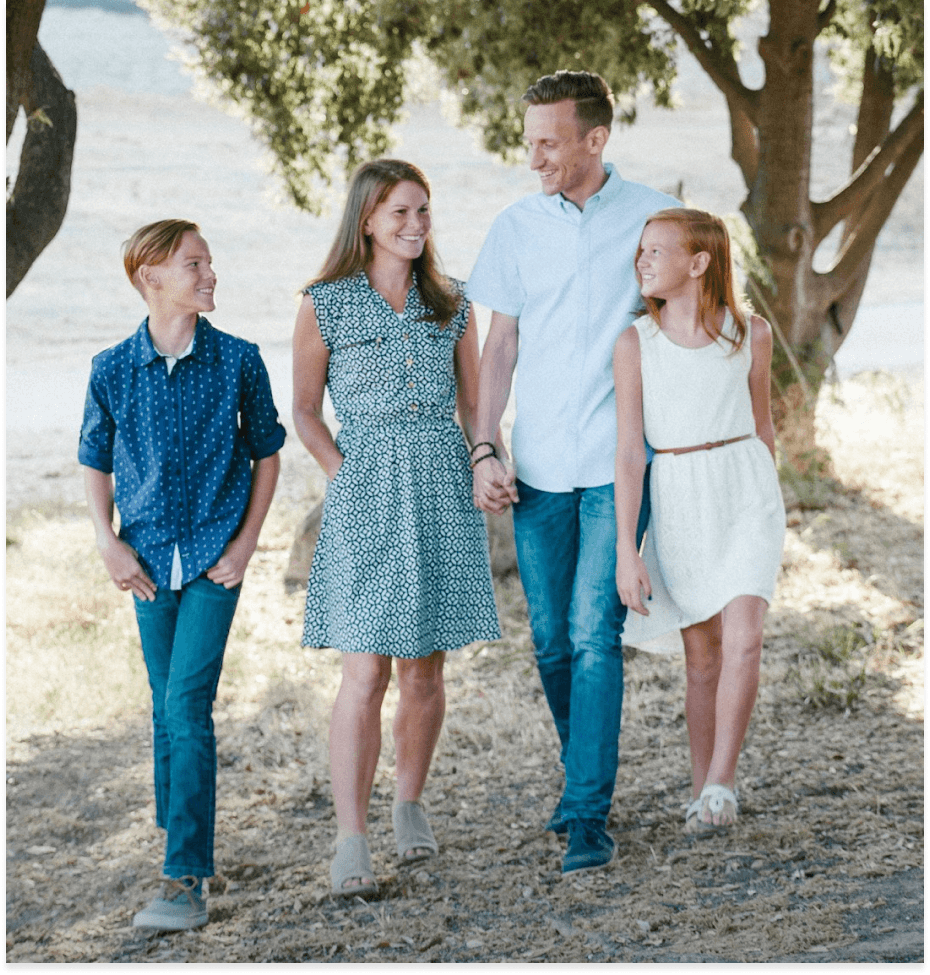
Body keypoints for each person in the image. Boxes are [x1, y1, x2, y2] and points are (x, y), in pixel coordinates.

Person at [467, 70, 679, 875]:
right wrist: (485, 445)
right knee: (551, 641)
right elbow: (500, 347)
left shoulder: (653, 218)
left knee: (595, 635)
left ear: (596, 139)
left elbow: (689, 316)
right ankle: (580, 776)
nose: (535, 160)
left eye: (549, 143)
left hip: (623, 463)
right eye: (530, 143)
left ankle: (588, 809)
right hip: (542, 468)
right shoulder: (516, 227)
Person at [293, 159, 501, 899]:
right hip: (366, 485)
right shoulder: (326, 303)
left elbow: (478, 406)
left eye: (423, 212)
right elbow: (306, 411)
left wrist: (486, 458)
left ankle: (408, 800)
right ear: (367, 220)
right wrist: (340, 472)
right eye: (399, 214)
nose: (415, 226)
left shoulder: (453, 303)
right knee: (364, 672)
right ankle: (351, 836)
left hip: (441, 481)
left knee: (425, 667)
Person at [79, 219, 286, 930]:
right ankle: (181, 834)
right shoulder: (110, 368)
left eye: (210, 262)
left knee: (187, 704)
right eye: (194, 264)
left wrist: (247, 544)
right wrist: (106, 541)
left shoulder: (239, 361)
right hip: (143, 559)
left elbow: (267, 453)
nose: (210, 275)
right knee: (165, 703)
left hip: (212, 559)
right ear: (151, 278)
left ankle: (185, 874)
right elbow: (93, 458)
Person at [613, 207, 786, 833]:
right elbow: (630, 452)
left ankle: (721, 784)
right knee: (703, 657)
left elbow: (762, 426)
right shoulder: (637, 343)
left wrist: (771, 500)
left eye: (657, 252)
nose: (643, 262)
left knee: (745, 638)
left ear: (699, 262)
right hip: (681, 495)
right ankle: (700, 787)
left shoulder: (752, 334)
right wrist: (626, 552)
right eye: (641, 251)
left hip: (745, 492)